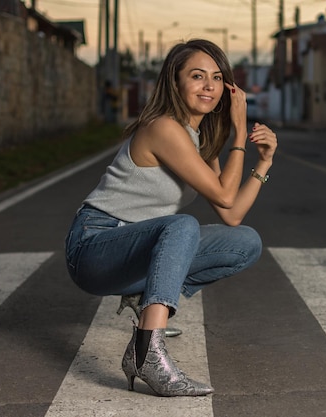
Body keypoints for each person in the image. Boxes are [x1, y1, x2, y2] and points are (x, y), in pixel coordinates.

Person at [65, 39, 277, 397]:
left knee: (246, 243)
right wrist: (239, 133)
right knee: (182, 225)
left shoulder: (200, 139)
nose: (208, 86)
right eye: (197, 76)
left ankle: (145, 301)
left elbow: (231, 213)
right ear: (175, 82)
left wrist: (265, 162)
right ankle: (149, 350)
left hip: (135, 247)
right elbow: (225, 195)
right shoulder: (163, 127)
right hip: (94, 247)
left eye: (216, 77)